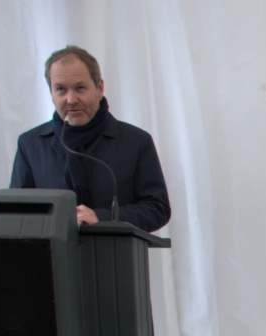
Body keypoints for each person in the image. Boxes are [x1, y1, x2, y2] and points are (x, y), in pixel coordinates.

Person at [10, 46, 170, 232]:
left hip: (113, 257)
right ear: (51, 93)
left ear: (99, 88)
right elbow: (17, 212)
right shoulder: (30, 144)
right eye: (61, 89)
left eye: (80, 88)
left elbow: (158, 209)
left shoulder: (136, 142)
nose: (71, 99)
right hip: (51, 257)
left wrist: (101, 218)